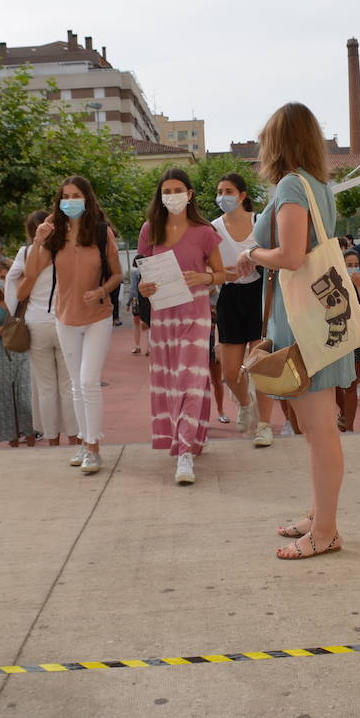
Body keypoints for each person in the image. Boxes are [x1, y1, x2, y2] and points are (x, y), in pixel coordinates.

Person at [234, 102, 353, 559]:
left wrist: (251, 256)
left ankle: (325, 531)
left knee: (320, 428)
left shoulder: (290, 185)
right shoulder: (317, 185)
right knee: (316, 426)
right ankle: (319, 516)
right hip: (317, 317)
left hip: (304, 321)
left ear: (277, 142)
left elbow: (289, 254)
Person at [26, 176, 123, 474]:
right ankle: (83, 441)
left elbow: (118, 274)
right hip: (64, 317)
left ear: (87, 198)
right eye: (65, 196)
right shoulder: (54, 235)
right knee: (77, 386)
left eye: (76, 195)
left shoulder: (101, 232)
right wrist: (38, 240)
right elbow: (30, 274)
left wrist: (101, 291)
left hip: (97, 316)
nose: (70, 201)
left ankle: (93, 447)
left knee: (88, 381)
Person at [136, 168, 224, 485]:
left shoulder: (203, 231)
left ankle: (184, 452)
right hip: (164, 316)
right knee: (173, 381)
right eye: (166, 190)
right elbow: (144, 272)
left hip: (195, 313)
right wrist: (145, 287)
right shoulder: (150, 230)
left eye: (177, 189)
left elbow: (222, 273)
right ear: (160, 196)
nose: (171, 195)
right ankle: (193, 435)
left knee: (189, 377)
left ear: (189, 194)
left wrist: (206, 278)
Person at [212, 171, 276, 446]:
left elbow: (276, 256)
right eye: (220, 192)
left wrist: (257, 261)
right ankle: (245, 402)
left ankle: (264, 425)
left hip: (260, 295)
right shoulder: (213, 228)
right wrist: (223, 273)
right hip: (229, 296)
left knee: (260, 364)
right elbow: (209, 267)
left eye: (229, 191)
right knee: (229, 371)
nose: (223, 196)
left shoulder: (260, 222)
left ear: (242, 195)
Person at [7, 210, 80, 448]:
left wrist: (12, 312)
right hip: (65, 319)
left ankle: (52, 441)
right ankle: (74, 438)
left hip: (36, 322)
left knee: (45, 387)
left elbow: (12, 283)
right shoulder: (67, 250)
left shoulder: (26, 252)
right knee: (69, 385)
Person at [0, 260, 35, 447]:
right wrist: (12, 324)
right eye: (2, 278)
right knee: (5, 398)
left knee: (25, 399)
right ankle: (13, 442)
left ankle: (31, 439)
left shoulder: (23, 297)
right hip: (0, 353)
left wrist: (7, 327)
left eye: (9, 277)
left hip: (22, 350)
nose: (6, 281)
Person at [334, 249, 360, 432]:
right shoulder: (334, 284)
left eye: (356, 265)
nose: (353, 269)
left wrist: (358, 286)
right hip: (336, 338)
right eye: (349, 265)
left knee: (350, 384)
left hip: (356, 340)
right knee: (335, 384)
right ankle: (343, 412)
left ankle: (349, 427)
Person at [127, 263, 151, 354]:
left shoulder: (134, 273)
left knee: (136, 323)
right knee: (149, 324)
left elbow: (133, 289)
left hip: (137, 302)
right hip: (148, 301)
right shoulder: (148, 272)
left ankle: (137, 346)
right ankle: (149, 347)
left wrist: (128, 303)